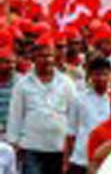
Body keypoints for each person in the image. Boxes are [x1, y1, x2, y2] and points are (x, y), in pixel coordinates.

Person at [6, 36, 77, 174]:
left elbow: (73, 114)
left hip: (59, 147)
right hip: (32, 147)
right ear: (34, 58)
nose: (47, 60)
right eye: (42, 56)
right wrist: (13, 143)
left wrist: (72, 145)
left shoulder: (67, 83)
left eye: (50, 55)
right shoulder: (22, 84)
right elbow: (15, 115)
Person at [65, 58, 111, 174]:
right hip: (81, 159)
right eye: (97, 74)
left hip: (107, 160)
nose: (101, 78)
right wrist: (67, 160)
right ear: (90, 76)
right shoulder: (79, 99)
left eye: (104, 74)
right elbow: (71, 133)